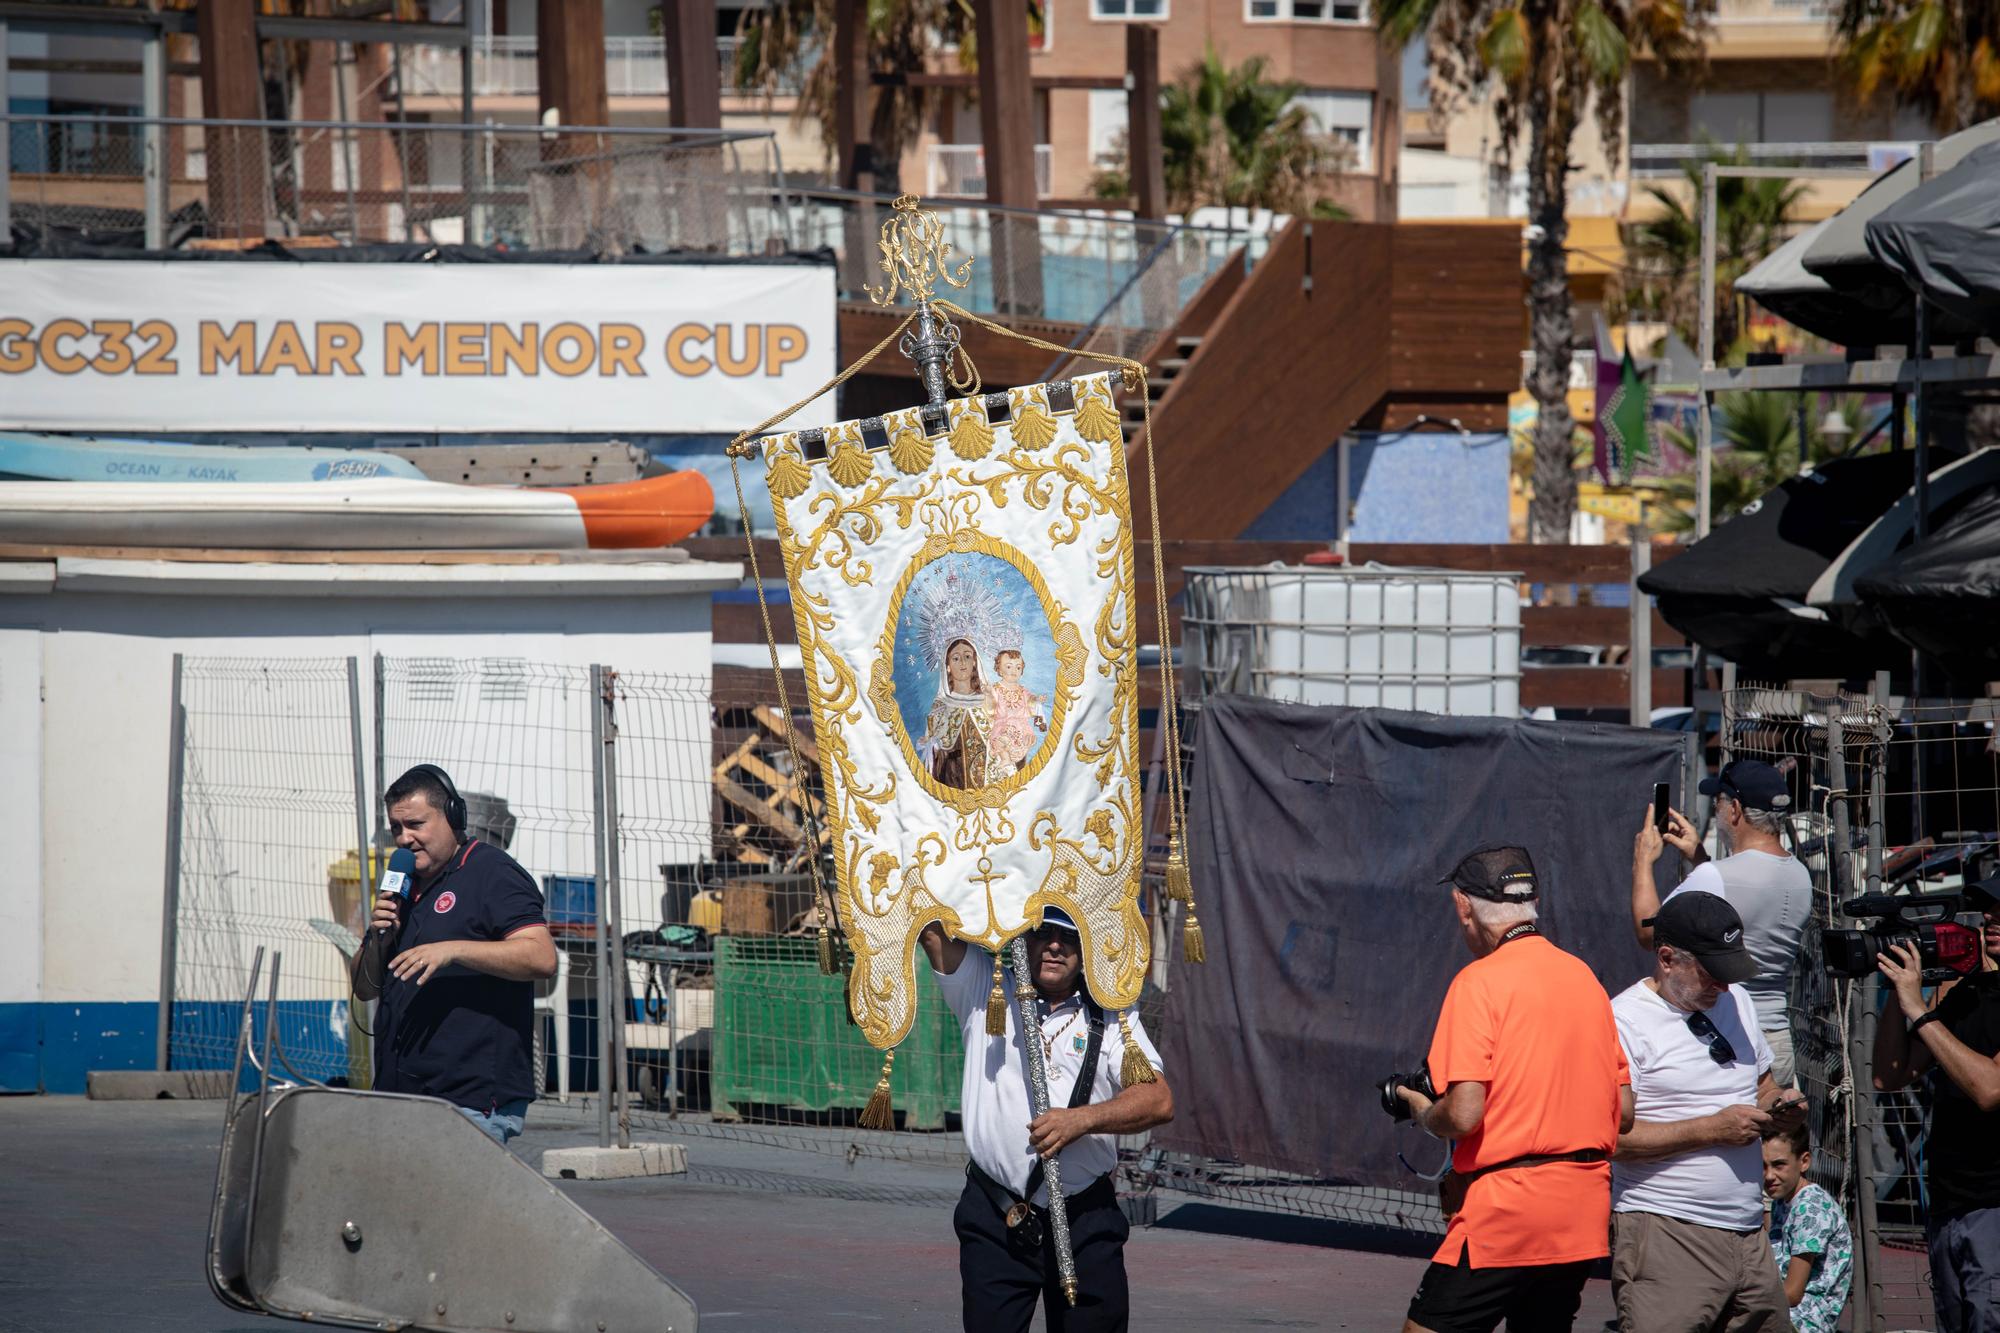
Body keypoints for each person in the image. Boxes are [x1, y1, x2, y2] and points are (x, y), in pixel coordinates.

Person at [1398, 846, 1633, 1333]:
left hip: (1508, 1210)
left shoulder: (1478, 982)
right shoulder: (1584, 978)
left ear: (1463, 907)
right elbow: (1624, 1111)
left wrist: (1425, 1113)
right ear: (1533, 902)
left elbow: (1463, 1115)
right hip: (1581, 1211)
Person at [921, 905, 1173, 1333]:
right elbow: (929, 928)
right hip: (997, 1214)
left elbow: (1158, 1100)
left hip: (1085, 1218)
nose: (1055, 946)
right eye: (1044, 932)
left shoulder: (1113, 1013)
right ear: (1024, 936)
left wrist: (1082, 1121)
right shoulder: (985, 986)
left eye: (1071, 937)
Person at [1611, 891, 1808, 1332]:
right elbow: (1609, 1140)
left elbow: (1763, 1086)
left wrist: (1781, 1107)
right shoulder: (1623, 1022)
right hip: (1667, 1231)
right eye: (1711, 972)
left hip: (1749, 1232)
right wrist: (1711, 1130)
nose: (1722, 984)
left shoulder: (1735, 1000)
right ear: (1666, 958)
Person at [351, 764, 558, 1145]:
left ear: (453, 817)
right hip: (401, 1094)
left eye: (416, 824)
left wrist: (454, 950)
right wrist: (379, 937)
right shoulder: (401, 883)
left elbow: (541, 957)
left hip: (468, 1100)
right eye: (397, 828)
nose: (405, 838)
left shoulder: (492, 873)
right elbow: (364, 989)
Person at [1871, 873, 2000, 1333]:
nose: (1990, 919)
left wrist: (1920, 1010)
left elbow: (1990, 1089)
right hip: (1950, 1203)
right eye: (1988, 909)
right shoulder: (1966, 994)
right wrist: (1900, 989)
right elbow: (1889, 1074)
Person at [1632, 759, 1813, 1085]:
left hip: (1730, 1038)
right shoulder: (1800, 875)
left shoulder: (1715, 877)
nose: (1717, 809)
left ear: (1735, 810)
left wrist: (1643, 863)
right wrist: (1700, 858)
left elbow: (1650, 934)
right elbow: (1738, 906)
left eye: (1719, 802)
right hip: (1778, 1037)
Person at [1761, 1122, 1851, 1333]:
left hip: (1803, 1321)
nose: (1768, 1176)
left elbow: (1792, 1293)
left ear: (1804, 1162)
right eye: (1763, 1166)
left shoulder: (1810, 1209)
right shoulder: (1783, 1201)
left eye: (1779, 1165)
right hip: (1783, 1310)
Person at [924, 636, 993, 790]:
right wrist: (934, 746)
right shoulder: (940, 707)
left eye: (967, 656)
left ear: (974, 661)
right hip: (952, 782)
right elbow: (932, 757)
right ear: (947, 665)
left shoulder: (988, 703)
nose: (962, 662)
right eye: (956, 658)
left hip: (989, 785)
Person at [985, 648, 1047, 777]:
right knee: (1000, 741)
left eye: (1018, 668)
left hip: (1021, 727)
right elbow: (990, 708)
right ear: (999, 670)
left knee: (1023, 744)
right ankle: (1005, 759)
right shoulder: (996, 689)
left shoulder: (1022, 690)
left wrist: (1036, 700)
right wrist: (988, 694)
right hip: (1003, 725)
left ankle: (1018, 766)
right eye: (1009, 666)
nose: (1014, 671)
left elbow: (1030, 701)